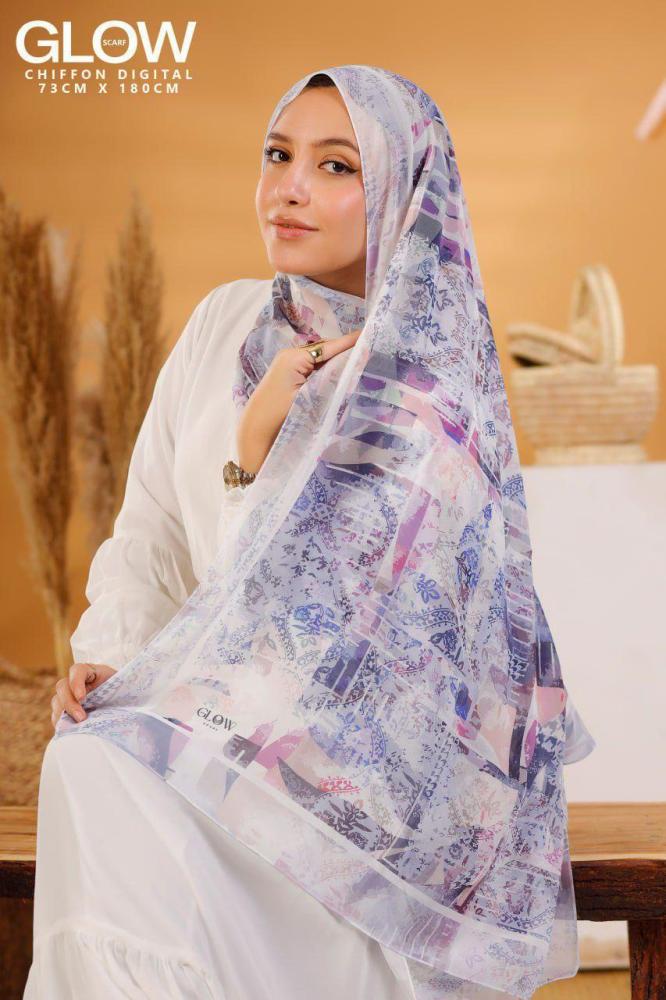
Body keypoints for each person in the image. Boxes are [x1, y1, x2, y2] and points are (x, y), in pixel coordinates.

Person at [25, 65, 596, 1000]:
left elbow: (316, 630)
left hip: (342, 789)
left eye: (336, 166)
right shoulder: (223, 324)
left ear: (405, 194)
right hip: (207, 722)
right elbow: (149, 532)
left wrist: (254, 453)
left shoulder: (424, 391)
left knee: (102, 778)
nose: (289, 187)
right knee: (90, 758)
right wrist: (113, 658)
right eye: (277, 154)